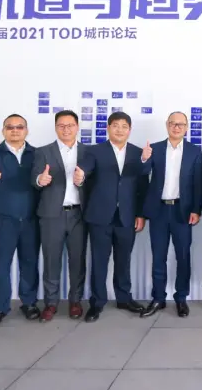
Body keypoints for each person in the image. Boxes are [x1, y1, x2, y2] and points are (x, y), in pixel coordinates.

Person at [74, 111, 149, 322]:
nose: (120, 130)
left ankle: (124, 298)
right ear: (108, 128)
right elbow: (85, 169)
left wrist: (141, 214)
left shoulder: (138, 153)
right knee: (99, 261)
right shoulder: (94, 151)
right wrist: (80, 176)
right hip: (100, 216)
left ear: (130, 130)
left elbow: (142, 187)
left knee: (124, 260)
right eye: (115, 125)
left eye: (124, 126)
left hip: (127, 216)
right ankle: (97, 303)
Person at [0, 114, 40, 326]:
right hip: (3, 220)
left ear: (26, 131)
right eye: (10, 127)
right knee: (1, 265)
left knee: (29, 263)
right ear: (3, 131)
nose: (15, 130)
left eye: (19, 127)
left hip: (31, 219)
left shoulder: (37, 154)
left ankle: (29, 303)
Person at [140, 112, 202, 318]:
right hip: (158, 210)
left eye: (181, 124)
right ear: (167, 125)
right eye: (173, 124)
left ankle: (181, 298)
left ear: (187, 127)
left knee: (183, 256)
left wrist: (196, 209)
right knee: (158, 257)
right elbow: (142, 174)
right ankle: (158, 298)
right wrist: (144, 158)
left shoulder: (194, 151)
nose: (177, 127)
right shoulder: (155, 148)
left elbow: (197, 182)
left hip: (182, 211)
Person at [31, 110, 87, 322]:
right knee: (51, 260)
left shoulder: (88, 152)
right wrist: (40, 179)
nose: (66, 129)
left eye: (70, 125)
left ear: (77, 127)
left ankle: (75, 301)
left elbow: (96, 182)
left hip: (79, 215)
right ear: (56, 128)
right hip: (51, 215)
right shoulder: (43, 152)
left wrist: (83, 180)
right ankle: (51, 303)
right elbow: (33, 178)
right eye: (61, 125)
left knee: (78, 260)